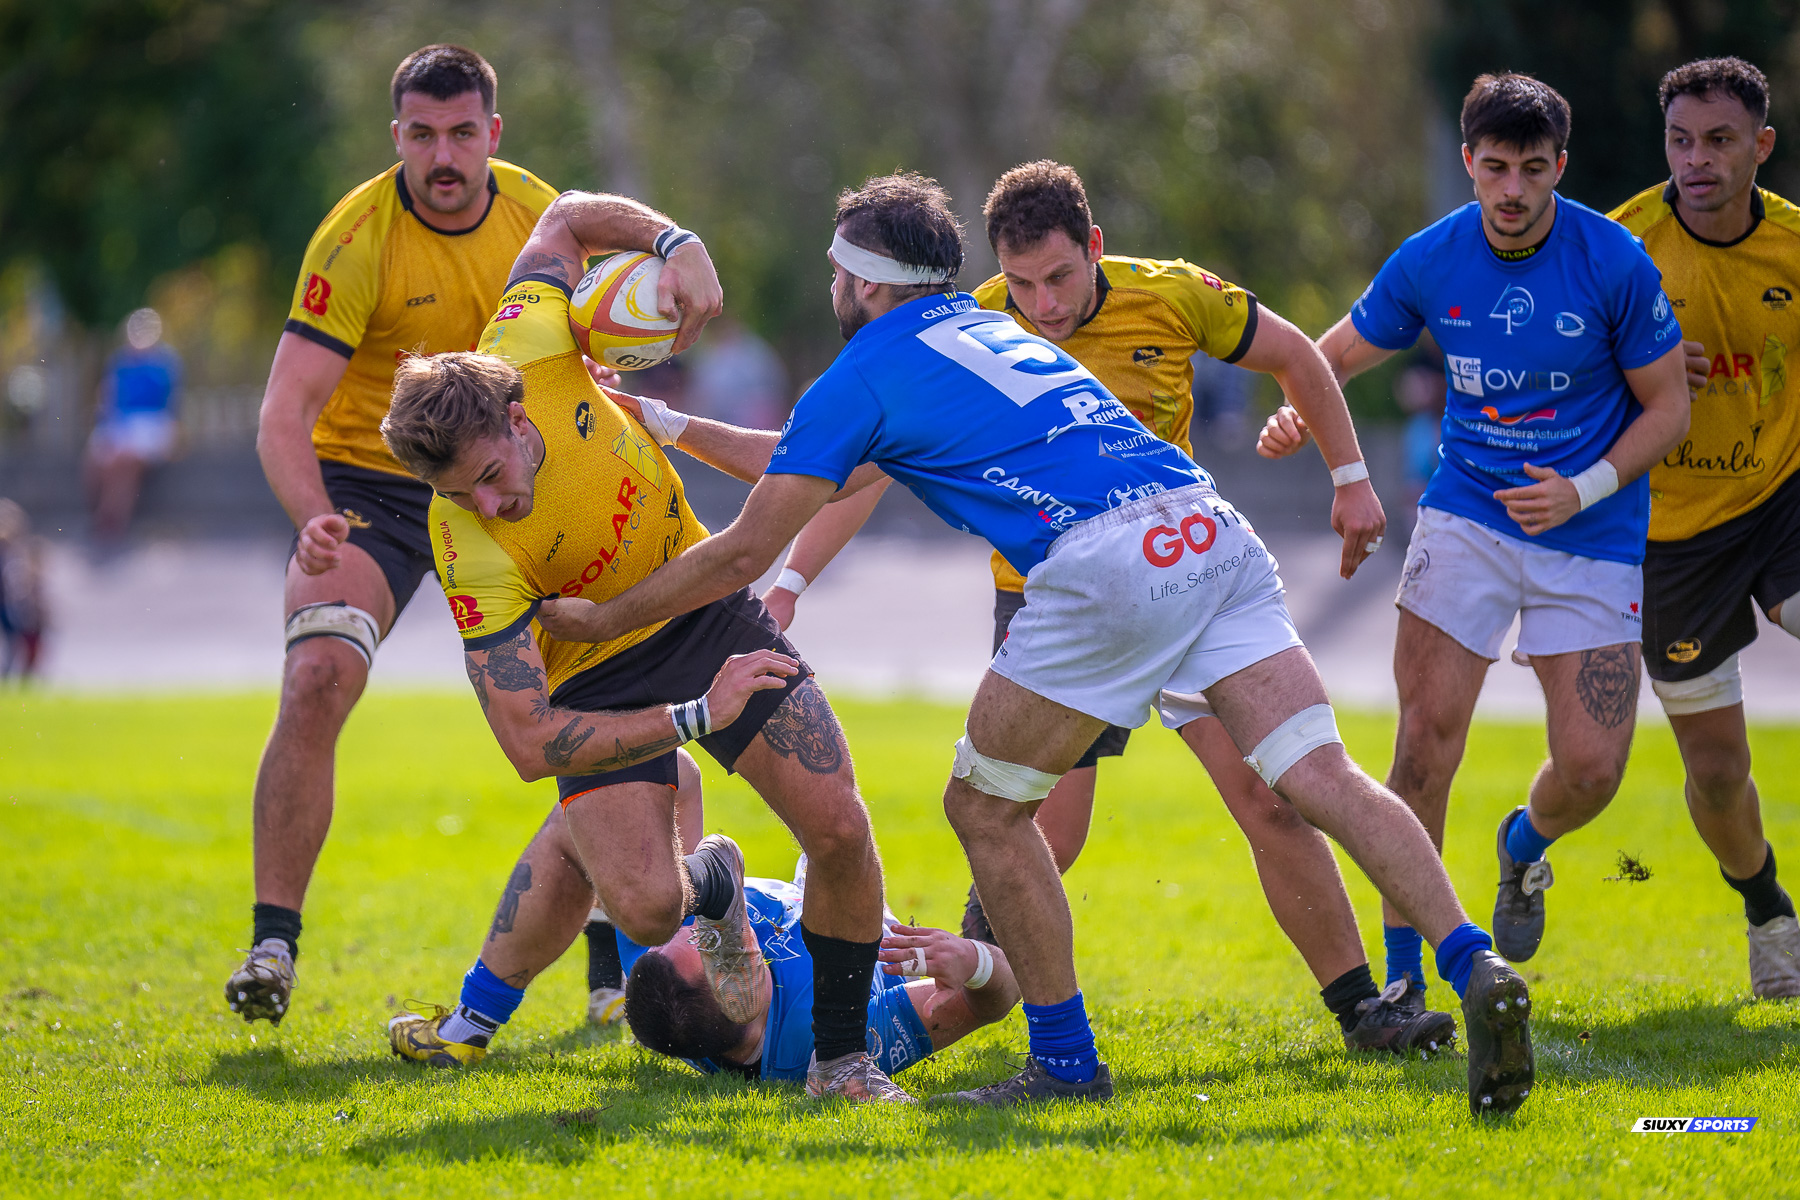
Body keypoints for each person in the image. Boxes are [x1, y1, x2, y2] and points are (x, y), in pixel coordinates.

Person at [533, 172, 1537, 1116]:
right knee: (1323, 776)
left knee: (983, 807)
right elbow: (817, 465)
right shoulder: (983, 328)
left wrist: (600, 618)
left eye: (839, 272)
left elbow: (749, 540)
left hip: (1099, 571)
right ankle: (1472, 960)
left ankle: (1064, 1062)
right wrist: (668, 421)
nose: (833, 286)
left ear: (860, 281)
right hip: (1206, 526)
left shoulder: (866, 368)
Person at [763, 160, 1454, 1055]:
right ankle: (963, 1001)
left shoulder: (1170, 296)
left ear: (1094, 249)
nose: (1041, 305)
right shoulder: (965, 320)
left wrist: (1352, 476)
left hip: (1185, 571)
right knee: (1045, 826)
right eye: (1020, 285)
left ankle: (1364, 1007)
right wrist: (791, 580)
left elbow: (1293, 353)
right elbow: (867, 467)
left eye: (1057, 278)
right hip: (1056, 598)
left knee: (1272, 798)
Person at [373, 190, 903, 1104]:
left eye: (493, 476)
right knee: (651, 909)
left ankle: (844, 1062)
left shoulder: (528, 342)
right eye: (465, 495)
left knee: (840, 825)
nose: (490, 506)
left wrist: (678, 242)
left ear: (519, 415)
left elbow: (566, 221)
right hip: (595, 674)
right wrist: (700, 715)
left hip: (704, 609)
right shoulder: (468, 550)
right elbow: (529, 743)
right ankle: (713, 886)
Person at [1257, 75, 1691, 984]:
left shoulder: (1613, 262)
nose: (1512, 190)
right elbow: (1333, 351)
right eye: (1494, 168)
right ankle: (1410, 973)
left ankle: (1522, 841)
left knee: (1591, 772)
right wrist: (1299, 409)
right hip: (1466, 516)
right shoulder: (1431, 257)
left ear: (1559, 168)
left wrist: (1582, 488)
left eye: (1533, 169)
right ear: (1469, 164)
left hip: (1592, 533)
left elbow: (1671, 409)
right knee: (1423, 745)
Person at [1609, 57, 1800, 996]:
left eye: (1721, 140)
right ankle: (1767, 906)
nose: (1697, 160)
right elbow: (1556, 390)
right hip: (1670, 536)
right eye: (1682, 140)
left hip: (1782, 498)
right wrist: (1637, 377)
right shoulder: (1618, 249)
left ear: (1761, 147)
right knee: (1720, 771)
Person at [386, 678, 763, 1066]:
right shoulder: (786, 1007)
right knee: (624, 808)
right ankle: (605, 987)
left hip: (690, 991)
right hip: (697, 998)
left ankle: (471, 1025)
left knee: (599, 813)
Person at [622, 858, 1019, 1082]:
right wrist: (976, 961)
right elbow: (999, 994)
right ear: (737, 998)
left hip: (805, 882)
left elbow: (684, 781)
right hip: (854, 901)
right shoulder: (826, 1039)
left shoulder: (657, 968)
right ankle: (987, 926)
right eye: (706, 944)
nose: (695, 924)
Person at [85, 307, 181, 547]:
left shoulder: (164, 364)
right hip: (120, 424)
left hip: (150, 426)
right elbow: (109, 400)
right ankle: (104, 514)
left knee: (124, 462)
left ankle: (111, 520)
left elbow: (168, 407)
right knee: (97, 459)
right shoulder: (119, 364)